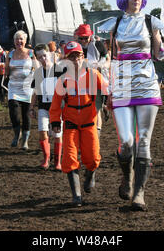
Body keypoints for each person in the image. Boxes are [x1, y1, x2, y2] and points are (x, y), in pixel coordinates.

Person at [108, 0, 164, 211]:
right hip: (122, 84)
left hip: (146, 84)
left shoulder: (151, 22)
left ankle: (139, 193)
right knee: (127, 142)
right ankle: (127, 176)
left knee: (143, 141)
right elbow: (111, 57)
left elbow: (159, 54)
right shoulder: (116, 23)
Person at [49, 41, 107, 206]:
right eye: (71, 56)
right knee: (69, 158)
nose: (75, 60)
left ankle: (90, 174)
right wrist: (55, 122)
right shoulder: (63, 81)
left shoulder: (93, 75)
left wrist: (108, 102)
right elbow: (55, 104)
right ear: (66, 60)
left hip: (89, 121)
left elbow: (106, 89)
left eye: (78, 55)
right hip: (70, 123)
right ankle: (76, 196)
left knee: (94, 157)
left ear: (83, 57)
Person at [30, 44, 63, 171]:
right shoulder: (38, 73)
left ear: (50, 54)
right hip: (43, 107)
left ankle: (57, 162)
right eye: (40, 57)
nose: (43, 59)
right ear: (37, 59)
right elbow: (35, 92)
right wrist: (31, 108)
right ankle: (46, 159)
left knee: (57, 134)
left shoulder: (59, 70)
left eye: (44, 55)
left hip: (57, 108)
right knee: (42, 131)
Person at [75, 24, 108, 137]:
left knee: (95, 109)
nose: (84, 40)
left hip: (96, 80)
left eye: (86, 38)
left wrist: (100, 65)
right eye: (81, 38)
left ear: (90, 36)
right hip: (80, 83)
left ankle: (96, 137)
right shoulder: (75, 47)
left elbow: (105, 57)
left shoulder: (98, 44)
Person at [5, 30, 35, 150]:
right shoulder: (10, 54)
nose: (19, 41)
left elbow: (36, 67)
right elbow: (7, 70)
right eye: (17, 39)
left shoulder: (31, 53)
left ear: (25, 40)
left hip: (27, 88)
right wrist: (4, 70)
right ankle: (17, 134)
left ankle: (25, 141)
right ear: (14, 41)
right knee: (13, 112)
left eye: (21, 39)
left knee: (26, 114)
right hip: (13, 87)